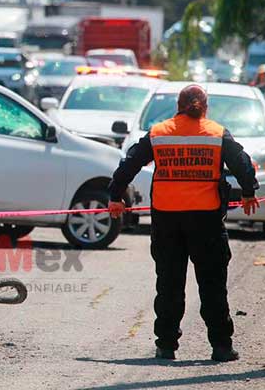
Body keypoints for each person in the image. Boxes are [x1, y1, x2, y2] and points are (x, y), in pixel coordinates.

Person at [107, 84, 259, 362]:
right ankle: (222, 347)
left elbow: (129, 162)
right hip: (207, 221)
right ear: (205, 106)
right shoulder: (215, 133)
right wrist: (248, 192)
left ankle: (166, 346)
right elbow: (242, 163)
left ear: (178, 106)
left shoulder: (159, 133)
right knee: (213, 285)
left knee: (169, 284)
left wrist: (116, 196)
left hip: (167, 220)